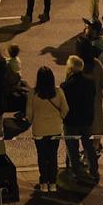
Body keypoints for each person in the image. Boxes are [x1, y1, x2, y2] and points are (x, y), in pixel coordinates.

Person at [27, 65, 67, 193]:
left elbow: (29, 113)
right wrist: (59, 118)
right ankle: (53, 182)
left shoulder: (33, 93)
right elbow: (65, 109)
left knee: (42, 156)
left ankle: (44, 182)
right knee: (53, 155)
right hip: (55, 128)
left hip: (39, 129)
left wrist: (32, 121)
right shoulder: (58, 91)